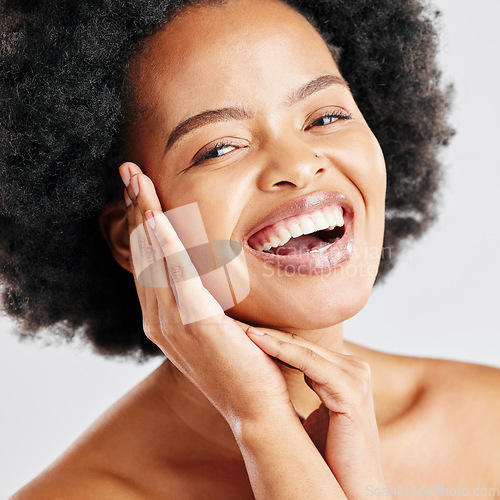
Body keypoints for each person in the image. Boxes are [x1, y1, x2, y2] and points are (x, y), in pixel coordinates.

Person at [1, 0, 499, 497]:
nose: (299, 166)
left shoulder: (486, 423)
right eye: (219, 148)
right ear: (134, 238)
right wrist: (262, 424)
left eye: (325, 116)